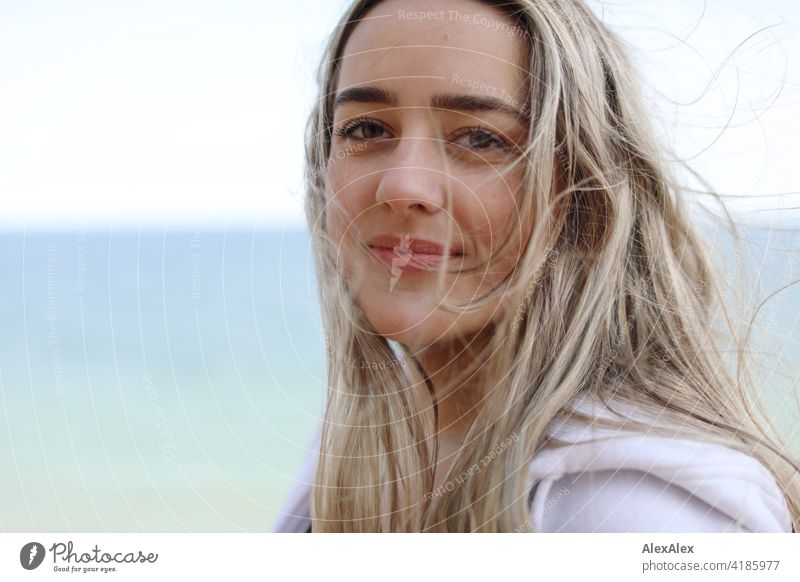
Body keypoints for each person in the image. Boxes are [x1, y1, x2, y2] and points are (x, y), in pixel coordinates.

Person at [274, 0, 799, 532]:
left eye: (480, 138)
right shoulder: (370, 441)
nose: (402, 185)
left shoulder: (636, 506)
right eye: (366, 130)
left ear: (583, 195)